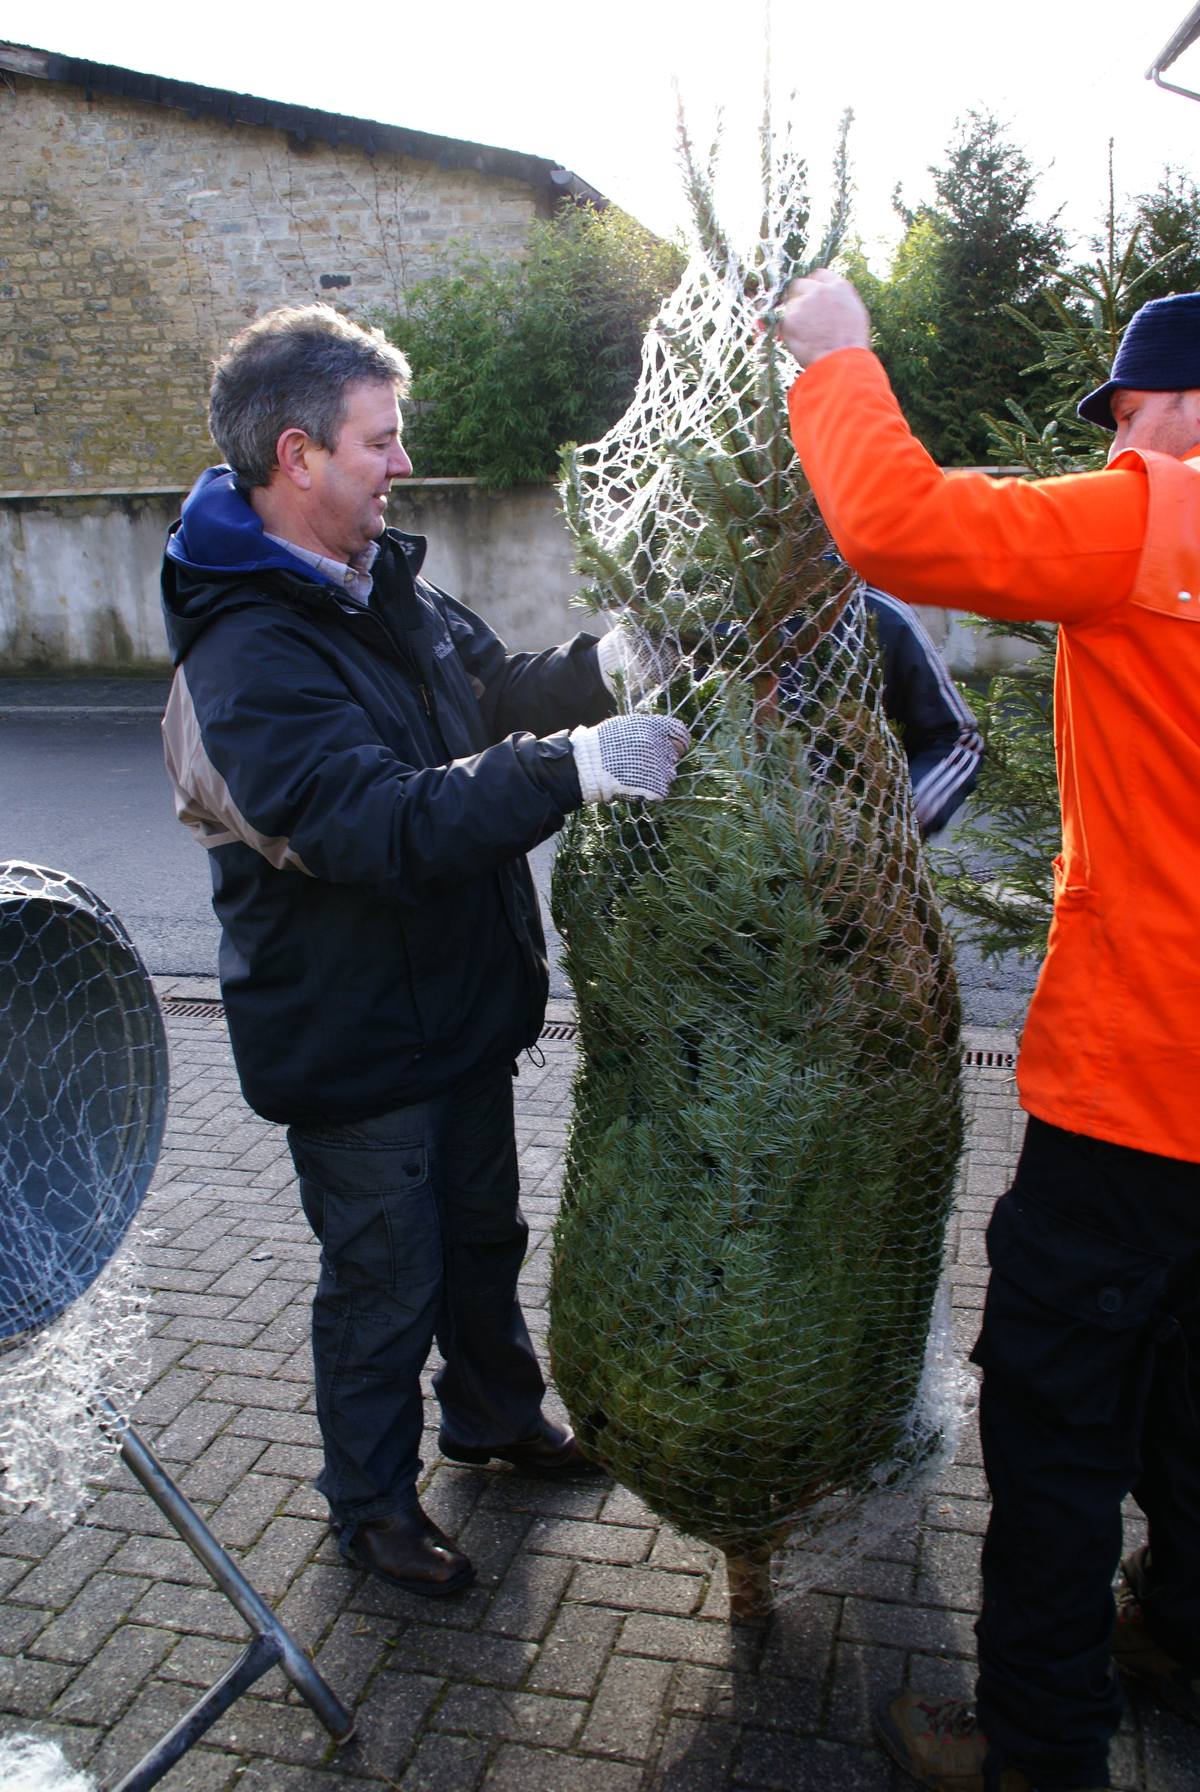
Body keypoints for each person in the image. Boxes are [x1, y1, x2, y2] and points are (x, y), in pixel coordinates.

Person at [159, 304, 688, 1599]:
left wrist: (611, 666)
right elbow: (370, 820)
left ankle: (495, 1416)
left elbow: (492, 694)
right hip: (355, 1041)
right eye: (379, 440)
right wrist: (572, 769)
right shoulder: (247, 651)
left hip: (453, 1007)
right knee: (385, 1281)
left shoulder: (384, 583)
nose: (402, 462)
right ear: (297, 456)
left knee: (477, 1236)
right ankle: (372, 1510)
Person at [776, 275, 1200, 1792]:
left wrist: (838, 355)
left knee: (1057, 1411)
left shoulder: (1161, 518)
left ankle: (1037, 1743)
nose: (1117, 446)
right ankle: (1181, 1629)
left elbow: (896, 527)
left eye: (1131, 416)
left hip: (1146, 1083)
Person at [777, 579, 983, 838]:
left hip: (850, 848)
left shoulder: (875, 614)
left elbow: (956, 739)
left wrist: (898, 823)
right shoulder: (728, 614)